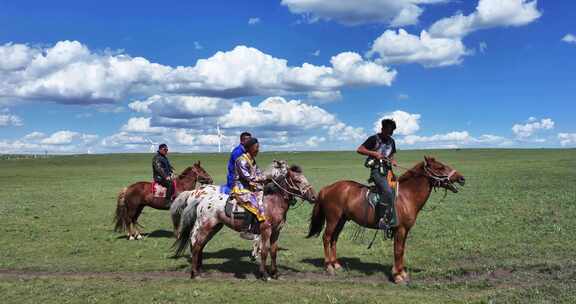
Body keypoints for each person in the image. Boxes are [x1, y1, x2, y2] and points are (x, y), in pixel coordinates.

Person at [357, 119, 398, 230]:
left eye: (391, 131)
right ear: (382, 129)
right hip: (377, 171)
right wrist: (373, 153)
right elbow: (359, 149)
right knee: (387, 191)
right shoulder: (374, 139)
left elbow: (392, 154)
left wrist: (392, 160)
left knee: (397, 189)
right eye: (388, 130)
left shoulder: (392, 141)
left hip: (388, 171)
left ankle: (393, 216)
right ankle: (382, 219)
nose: (389, 133)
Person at [232, 138, 269, 235]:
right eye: (257, 147)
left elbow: (258, 173)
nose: (258, 150)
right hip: (241, 188)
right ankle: (245, 229)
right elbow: (248, 177)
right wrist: (263, 178)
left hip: (251, 186)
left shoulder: (252, 160)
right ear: (250, 148)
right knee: (253, 202)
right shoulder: (241, 161)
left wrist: (265, 178)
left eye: (258, 147)